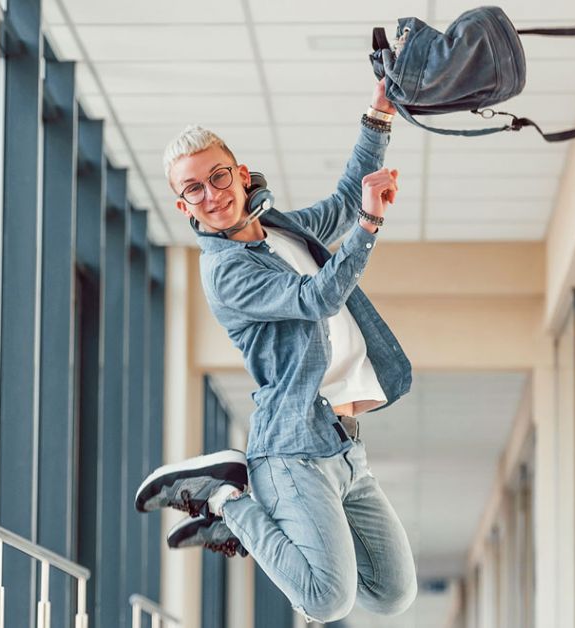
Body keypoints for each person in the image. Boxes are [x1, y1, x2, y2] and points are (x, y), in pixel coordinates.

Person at [134, 78, 417, 623]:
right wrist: (370, 223)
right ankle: (225, 500)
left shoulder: (276, 229)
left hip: (344, 447)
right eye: (194, 189)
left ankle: (245, 515)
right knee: (326, 601)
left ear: (240, 175)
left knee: (391, 592)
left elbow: (341, 202)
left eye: (218, 176)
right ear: (182, 204)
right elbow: (318, 296)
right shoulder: (226, 272)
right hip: (291, 449)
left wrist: (379, 114)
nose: (211, 194)